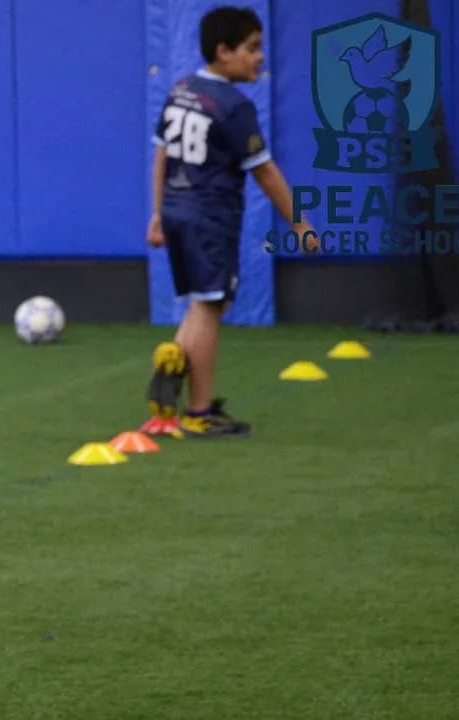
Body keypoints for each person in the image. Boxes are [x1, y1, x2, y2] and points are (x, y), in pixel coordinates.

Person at [145, 5, 314, 437]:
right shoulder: (235, 107)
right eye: (252, 48)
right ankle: (199, 412)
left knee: (203, 301)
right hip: (210, 218)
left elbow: (161, 154)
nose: (260, 57)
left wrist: (157, 213)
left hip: (177, 210)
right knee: (209, 306)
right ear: (223, 51)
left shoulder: (181, 89)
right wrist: (299, 223)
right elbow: (266, 172)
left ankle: (175, 356)